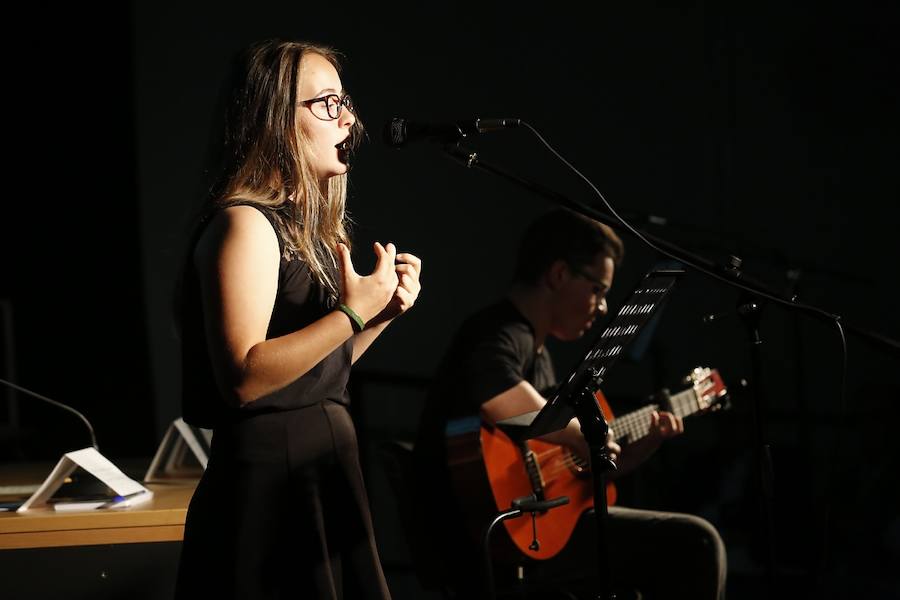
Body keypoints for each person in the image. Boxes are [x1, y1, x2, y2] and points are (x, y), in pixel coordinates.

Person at [175, 39, 421, 600]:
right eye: (328, 103)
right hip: (270, 484)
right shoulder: (244, 225)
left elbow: (313, 373)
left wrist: (378, 315)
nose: (350, 119)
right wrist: (352, 310)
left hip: (322, 472)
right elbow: (245, 377)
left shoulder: (300, 230)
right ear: (275, 121)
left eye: (345, 102)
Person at [414, 208, 725, 599]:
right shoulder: (497, 333)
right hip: (480, 538)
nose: (604, 307)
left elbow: (574, 476)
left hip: (533, 531)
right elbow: (500, 399)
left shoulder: (538, 351)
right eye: (598, 289)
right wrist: (581, 435)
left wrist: (636, 447)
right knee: (694, 544)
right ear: (559, 275)